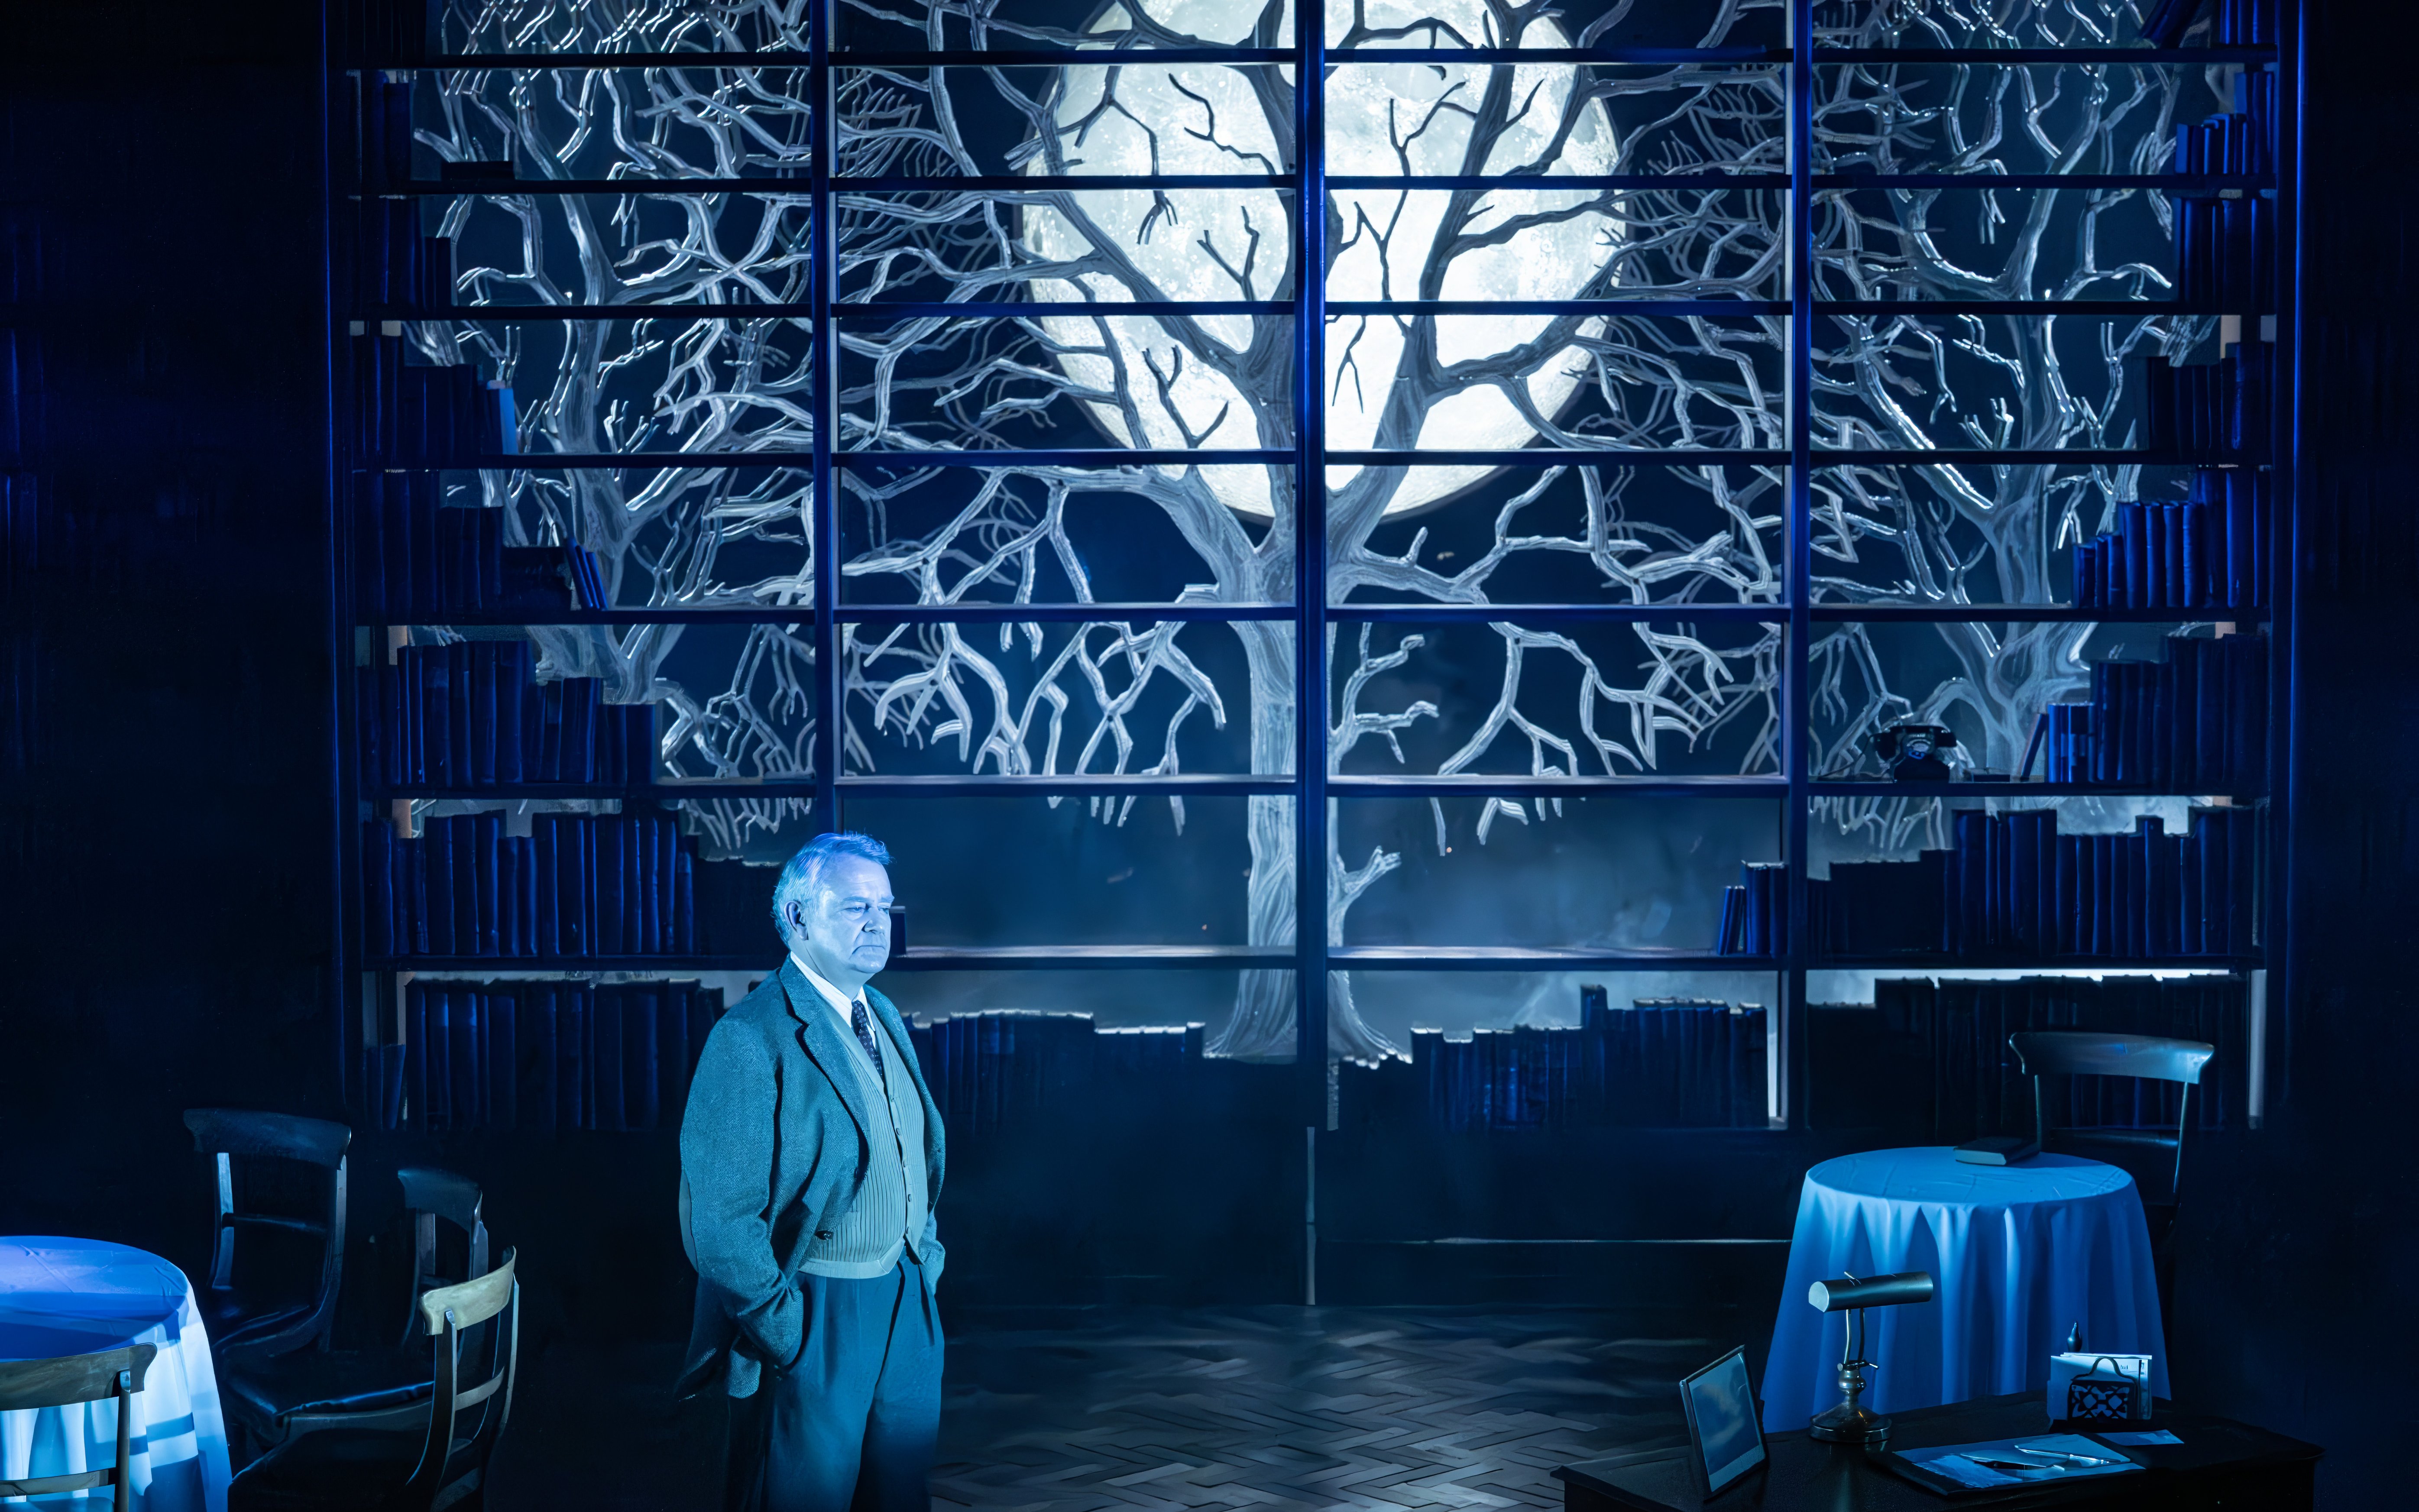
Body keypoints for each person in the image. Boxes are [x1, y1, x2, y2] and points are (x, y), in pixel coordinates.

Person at [676, 831, 946, 1512]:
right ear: (798, 917)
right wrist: (786, 1331)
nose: (877, 924)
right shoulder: (749, 1037)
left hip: (908, 1299)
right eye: (856, 907)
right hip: (820, 1310)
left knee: (901, 1494)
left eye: (884, 908)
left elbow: (913, 1150)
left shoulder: (881, 1013)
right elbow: (720, 1222)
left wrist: (926, 1260)